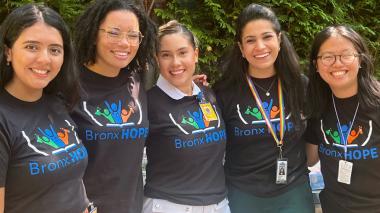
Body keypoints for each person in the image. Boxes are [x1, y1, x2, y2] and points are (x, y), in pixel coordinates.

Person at [214, 3, 314, 212]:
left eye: (267, 37)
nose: (260, 46)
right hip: (242, 196)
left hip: (293, 193)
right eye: (250, 40)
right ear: (241, 48)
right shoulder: (223, 92)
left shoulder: (300, 86)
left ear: (279, 39)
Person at [0, 4, 89, 213]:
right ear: (8, 52)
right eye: (32, 47)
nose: (44, 59)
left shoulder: (57, 103)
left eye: (55, 50)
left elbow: (72, 183)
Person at [71, 0, 156, 212]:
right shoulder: (67, 85)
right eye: (114, 33)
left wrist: (194, 85)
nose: (125, 43)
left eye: (133, 35)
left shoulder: (139, 80)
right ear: (93, 34)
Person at [143, 20, 230, 213]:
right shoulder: (148, 103)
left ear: (196, 54)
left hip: (218, 205)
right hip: (169, 205)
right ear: (157, 59)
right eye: (166, 55)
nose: (175, 62)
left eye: (183, 53)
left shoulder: (208, 95)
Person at [305, 25, 380, 212]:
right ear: (316, 65)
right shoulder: (318, 106)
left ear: (361, 60)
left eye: (346, 55)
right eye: (327, 57)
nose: (337, 64)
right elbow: (309, 159)